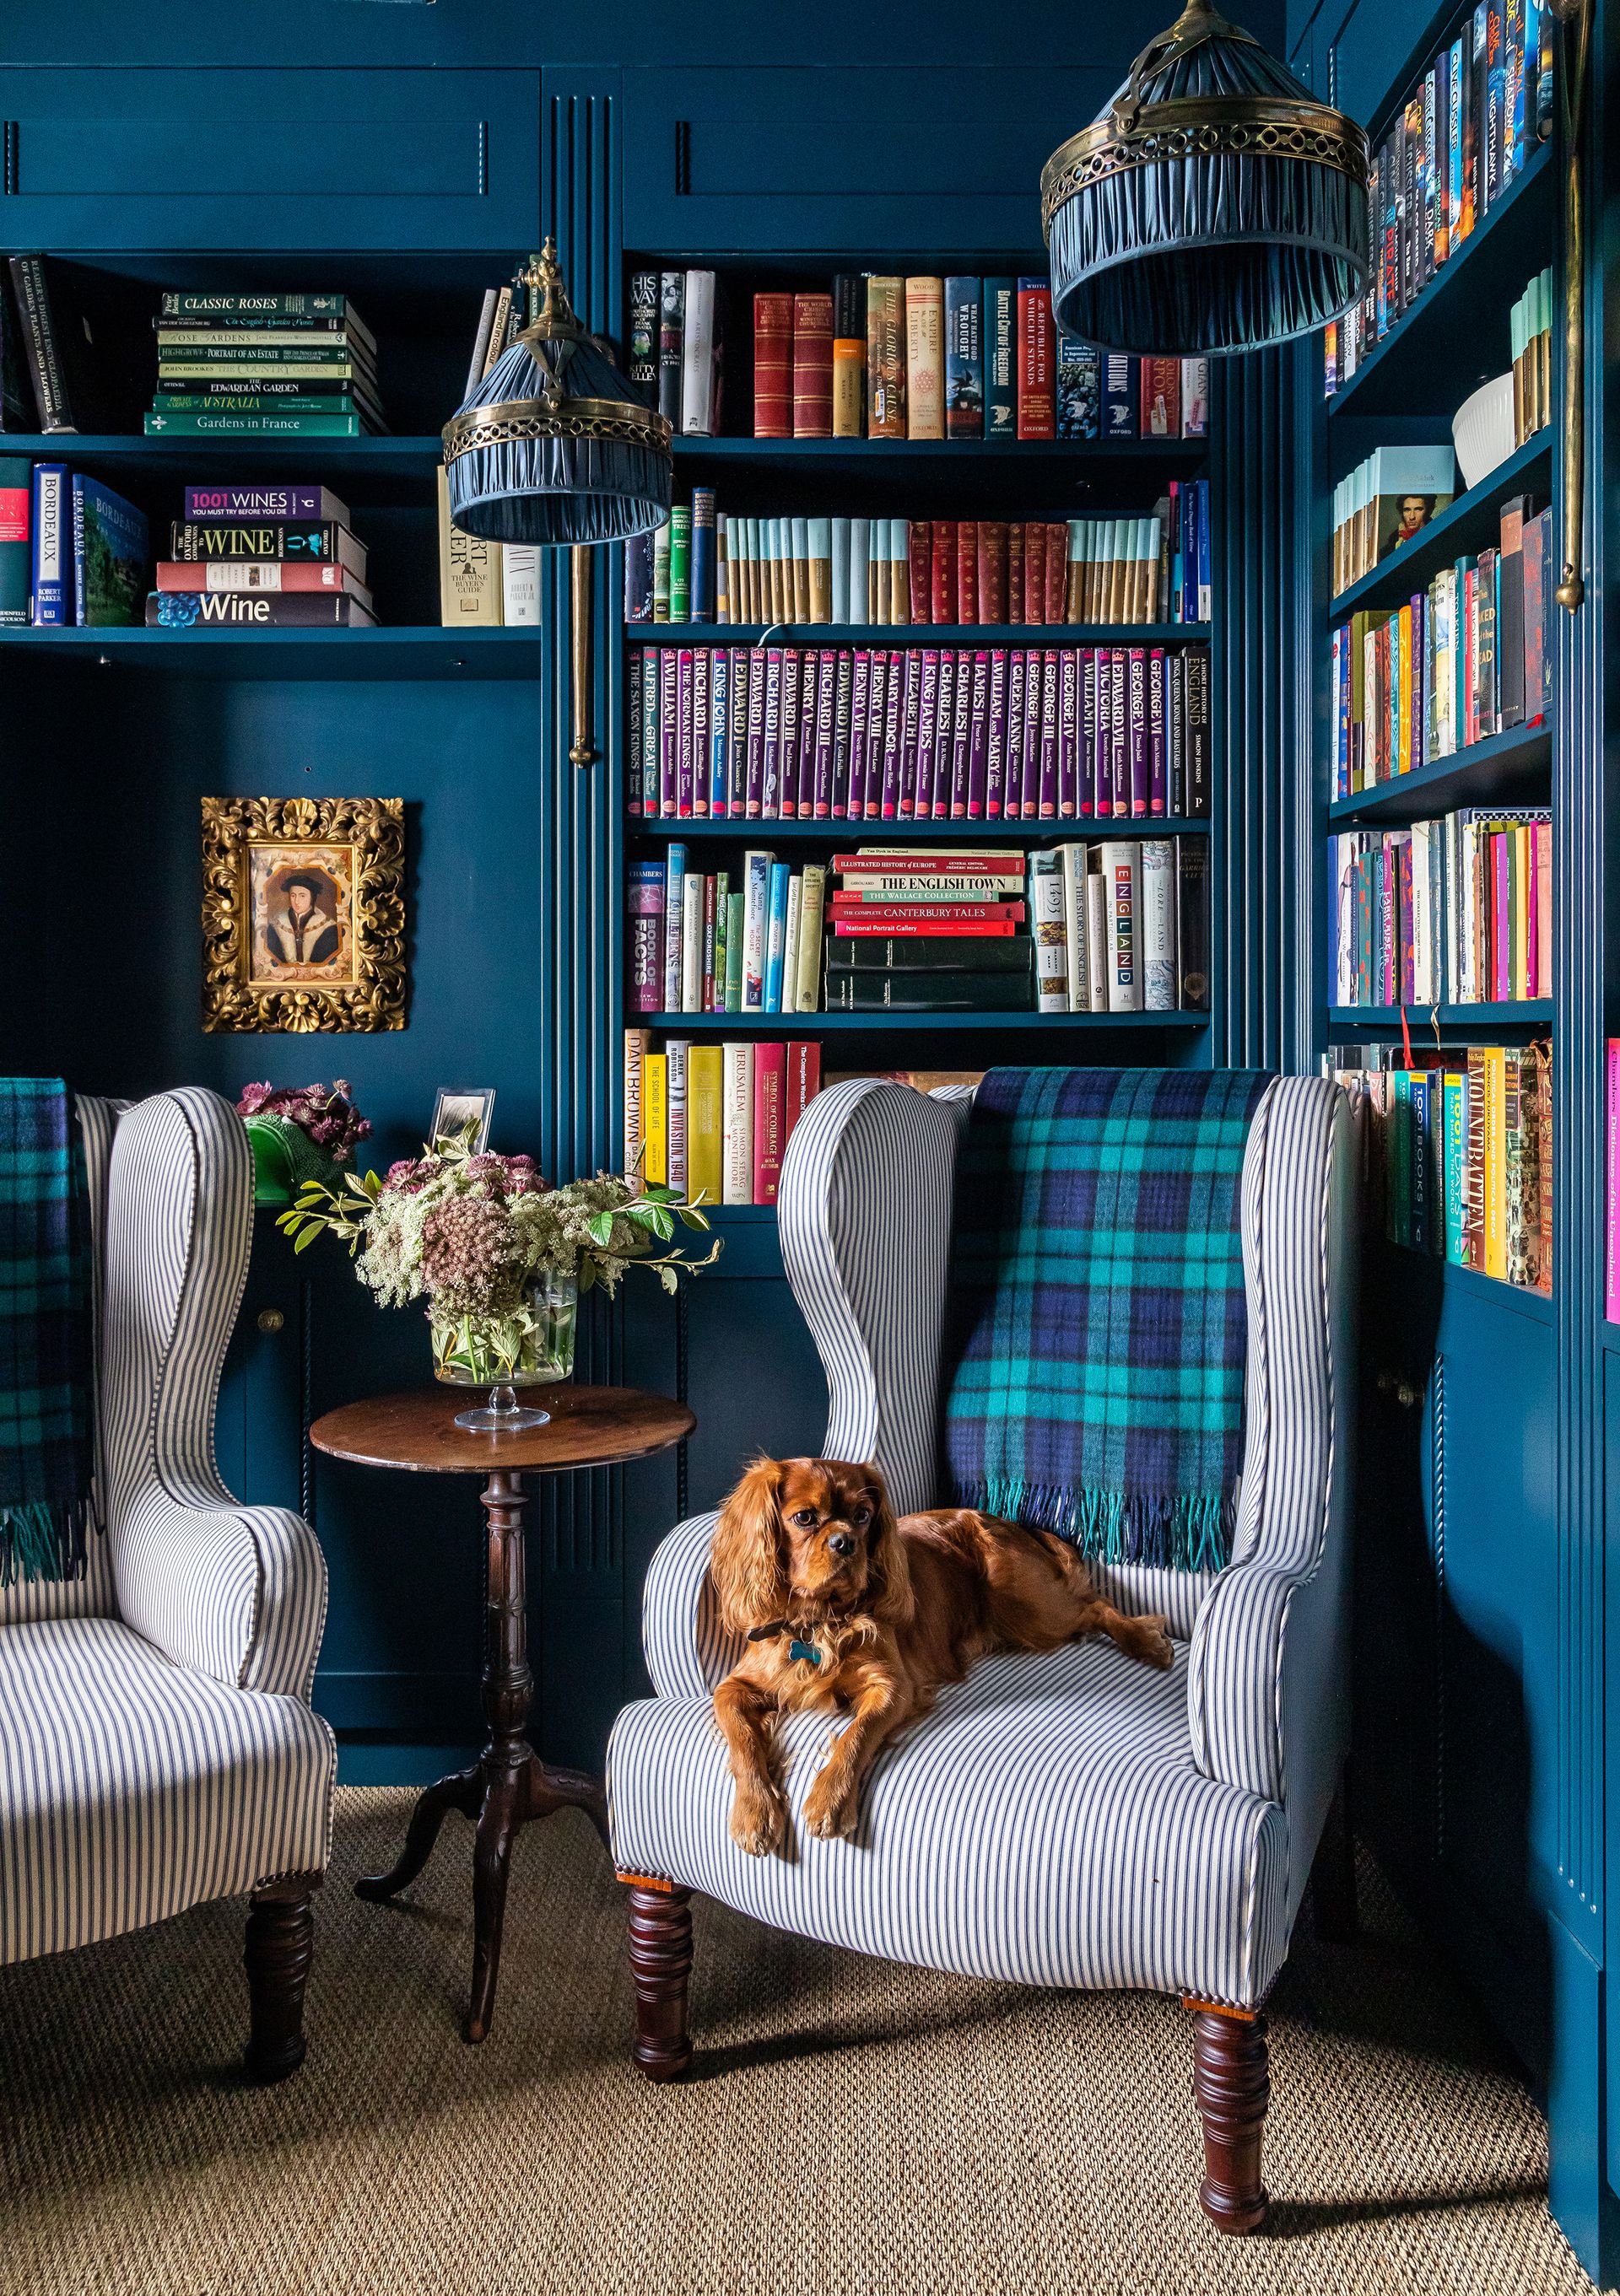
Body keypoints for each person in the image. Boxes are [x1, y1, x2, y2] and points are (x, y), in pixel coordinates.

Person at [265, 871, 340, 968]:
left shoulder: (328, 927)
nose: (296, 901)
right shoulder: (276, 924)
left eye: (302, 896)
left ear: (312, 898)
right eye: (293, 896)